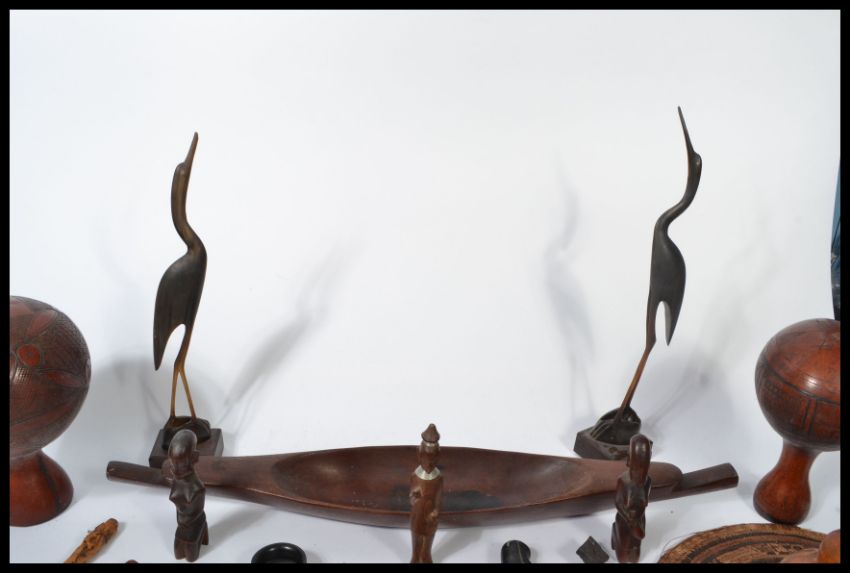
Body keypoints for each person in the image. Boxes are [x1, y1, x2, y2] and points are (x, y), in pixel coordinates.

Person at [168, 429, 209, 562]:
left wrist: (185, 521)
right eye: (172, 464)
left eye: (181, 465)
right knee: (178, 553)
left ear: (194, 457)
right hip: (183, 526)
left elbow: (198, 510)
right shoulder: (176, 480)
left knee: (191, 557)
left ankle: (200, 532)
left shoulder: (198, 489)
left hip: (192, 525)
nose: (175, 470)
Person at [611, 433, 652, 563]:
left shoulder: (647, 481)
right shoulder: (623, 481)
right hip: (625, 520)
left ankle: (633, 555)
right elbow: (617, 503)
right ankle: (622, 552)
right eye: (638, 463)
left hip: (639, 519)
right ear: (629, 461)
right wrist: (629, 518)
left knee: (637, 544)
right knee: (625, 547)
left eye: (645, 463)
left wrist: (637, 521)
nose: (641, 469)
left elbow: (645, 502)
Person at [410, 424, 443, 563]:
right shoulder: (415, 476)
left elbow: (439, 498)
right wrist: (414, 496)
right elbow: (412, 496)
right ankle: (415, 556)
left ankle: (426, 555)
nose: (429, 464)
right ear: (419, 454)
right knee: (416, 536)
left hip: (431, 516)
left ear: (438, 456)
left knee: (428, 537)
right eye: (425, 459)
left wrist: (436, 511)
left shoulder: (438, 478)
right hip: (417, 514)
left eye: (433, 460)